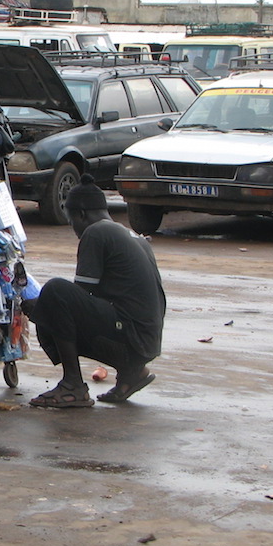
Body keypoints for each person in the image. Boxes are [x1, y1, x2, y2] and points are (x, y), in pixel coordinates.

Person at [22, 174, 165, 408]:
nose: (73, 228)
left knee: (55, 292)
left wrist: (39, 305)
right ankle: (132, 373)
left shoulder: (96, 232)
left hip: (132, 340)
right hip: (145, 342)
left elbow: (76, 296)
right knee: (53, 301)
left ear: (81, 214)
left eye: (71, 221)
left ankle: (73, 385)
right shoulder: (130, 235)